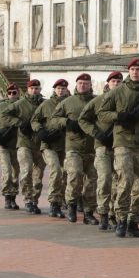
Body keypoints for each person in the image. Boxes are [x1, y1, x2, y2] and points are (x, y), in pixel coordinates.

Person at [97, 58, 139, 237]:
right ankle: (120, 219)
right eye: (133, 69)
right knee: (125, 180)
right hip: (123, 143)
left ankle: (133, 221)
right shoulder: (118, 92)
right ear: (129, 71)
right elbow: (102, 114)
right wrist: (120, 116)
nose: (136, 72)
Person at [51, 73, 98, 225]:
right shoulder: (68, 102)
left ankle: (89, 212)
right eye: (80, 83)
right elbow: (54, 119)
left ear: (91, 85)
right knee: (75, 175)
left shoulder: (97, 101)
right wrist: (66, 122)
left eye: (86, 83)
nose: (82, 86)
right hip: (73, 147)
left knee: (92, 181)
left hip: (93, 147)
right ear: (76, 85)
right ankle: (71, 205)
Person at [78, 71, 122, 230]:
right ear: (108, 83)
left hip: (120, 146)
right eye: (113, 81)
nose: (116, 84)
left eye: (118, 81)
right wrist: (96, 133)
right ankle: (102, 214)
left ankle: (114, 214)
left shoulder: (125, 101)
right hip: (102, 146)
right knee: (104, 179)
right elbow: (83, 119)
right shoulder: (98, 101)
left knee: (119, 182)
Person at [5, 79, 47, 214]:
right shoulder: (20, 104)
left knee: (38, 175)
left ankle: (34, 200)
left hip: (40, 144)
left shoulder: (44, 104)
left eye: (37, 88)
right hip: (24, 142)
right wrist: (18, 122)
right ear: (27, 90)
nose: (34, 91)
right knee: (26, 170)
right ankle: (28, 200)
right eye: (32, 88)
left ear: (40, 90)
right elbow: (4, 115)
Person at [32, 79, 69, 218]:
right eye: (58, 88)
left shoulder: (69, 103)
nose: (61, 90)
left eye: (63, 89)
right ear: (54, 89)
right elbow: (34, 120)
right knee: (56, 170)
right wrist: (40, 131)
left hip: (65, 144)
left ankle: (63, 200)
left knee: (65, 174)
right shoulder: (46, 104)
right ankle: (54, 204)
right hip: (48, 145)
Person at [0, 83, 22, 210]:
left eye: (14, 92)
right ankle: (7, 196)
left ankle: (13, 197)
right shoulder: (0, 106)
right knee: (6, 170)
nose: (12, 95)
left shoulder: (22, 106)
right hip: (3, 143)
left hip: (17, 144)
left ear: (19, 93)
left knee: (15, 173)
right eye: (10, 92)